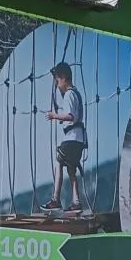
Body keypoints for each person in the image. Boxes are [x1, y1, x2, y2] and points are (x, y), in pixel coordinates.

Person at [41, 62, 86, 212]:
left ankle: (55, 199)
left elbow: (70, 116)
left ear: (64, 78)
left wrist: (54, 116)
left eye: (57, 81)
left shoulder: (69, 94)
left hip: (72, 138)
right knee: (71, 169)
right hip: (79, 139)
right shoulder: (75, 93)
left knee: (59, 162)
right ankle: (76, 201)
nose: (57, 85)